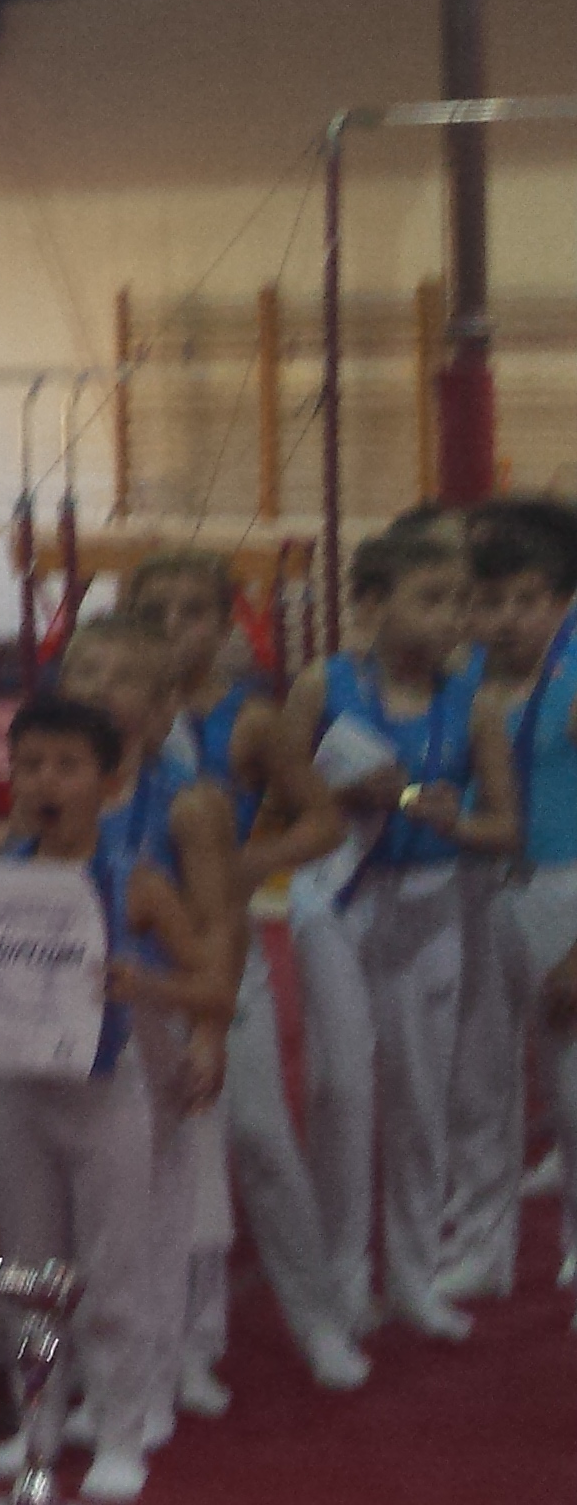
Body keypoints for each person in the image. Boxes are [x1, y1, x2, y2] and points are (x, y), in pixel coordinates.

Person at [0, 696, 232, 1505]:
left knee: (113, 1272)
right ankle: (36, 1421)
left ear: (109, 784)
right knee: (28, 1271)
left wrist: (147, 984)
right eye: (30, 765)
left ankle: (120, 1431)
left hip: (107, 1094)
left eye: (67, 767)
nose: (46, 782)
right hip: (16, 1088)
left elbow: (216, 989)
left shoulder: (135, 883)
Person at [123, 551, 370, 1390]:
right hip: (144, 966)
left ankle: (320, 1321)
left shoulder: (250, 721)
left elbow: (324, 821)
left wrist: (245, 863)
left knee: (261, 1140)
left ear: (227, 625)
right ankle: (185, 1341)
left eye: (192, 612)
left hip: (227, 953)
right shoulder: (108, 715)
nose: (173, 628)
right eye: (155, 610)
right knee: (168, 1157)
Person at [283, 527, 490, 1342]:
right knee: (341, 1091)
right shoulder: (322, 684)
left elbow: (504, 820)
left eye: (460, 603)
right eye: (432, 600)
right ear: (371, 605)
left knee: (422, 1096)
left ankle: (414, 1274)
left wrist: (456, 817)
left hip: (429, 897)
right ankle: (341, 1278)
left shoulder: (471, 701)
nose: (452, 619)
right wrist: (339, 798)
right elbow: (276, 801)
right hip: (335, 896)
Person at [55, 616, 243, 1427]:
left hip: (163, 1013)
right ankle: (97, 1367)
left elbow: (220, 924)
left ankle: (181, 1356)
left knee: (179, 1205)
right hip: (73, 1027)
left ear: (164, 709)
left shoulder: (189, 805)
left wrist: (210, 1033)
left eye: (121, 676)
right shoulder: (51, 793)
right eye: (84, 672)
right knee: (93, 1212)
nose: (99, 688)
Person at [445, 499, 577, 1305]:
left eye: (527, 601)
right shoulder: (466, 679)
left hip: (564, 888)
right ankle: (481, 1246)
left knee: (573, 1084)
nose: (507, 619)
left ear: (560, 601)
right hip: (480, 886)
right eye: (490, 603)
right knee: (479, 1083)